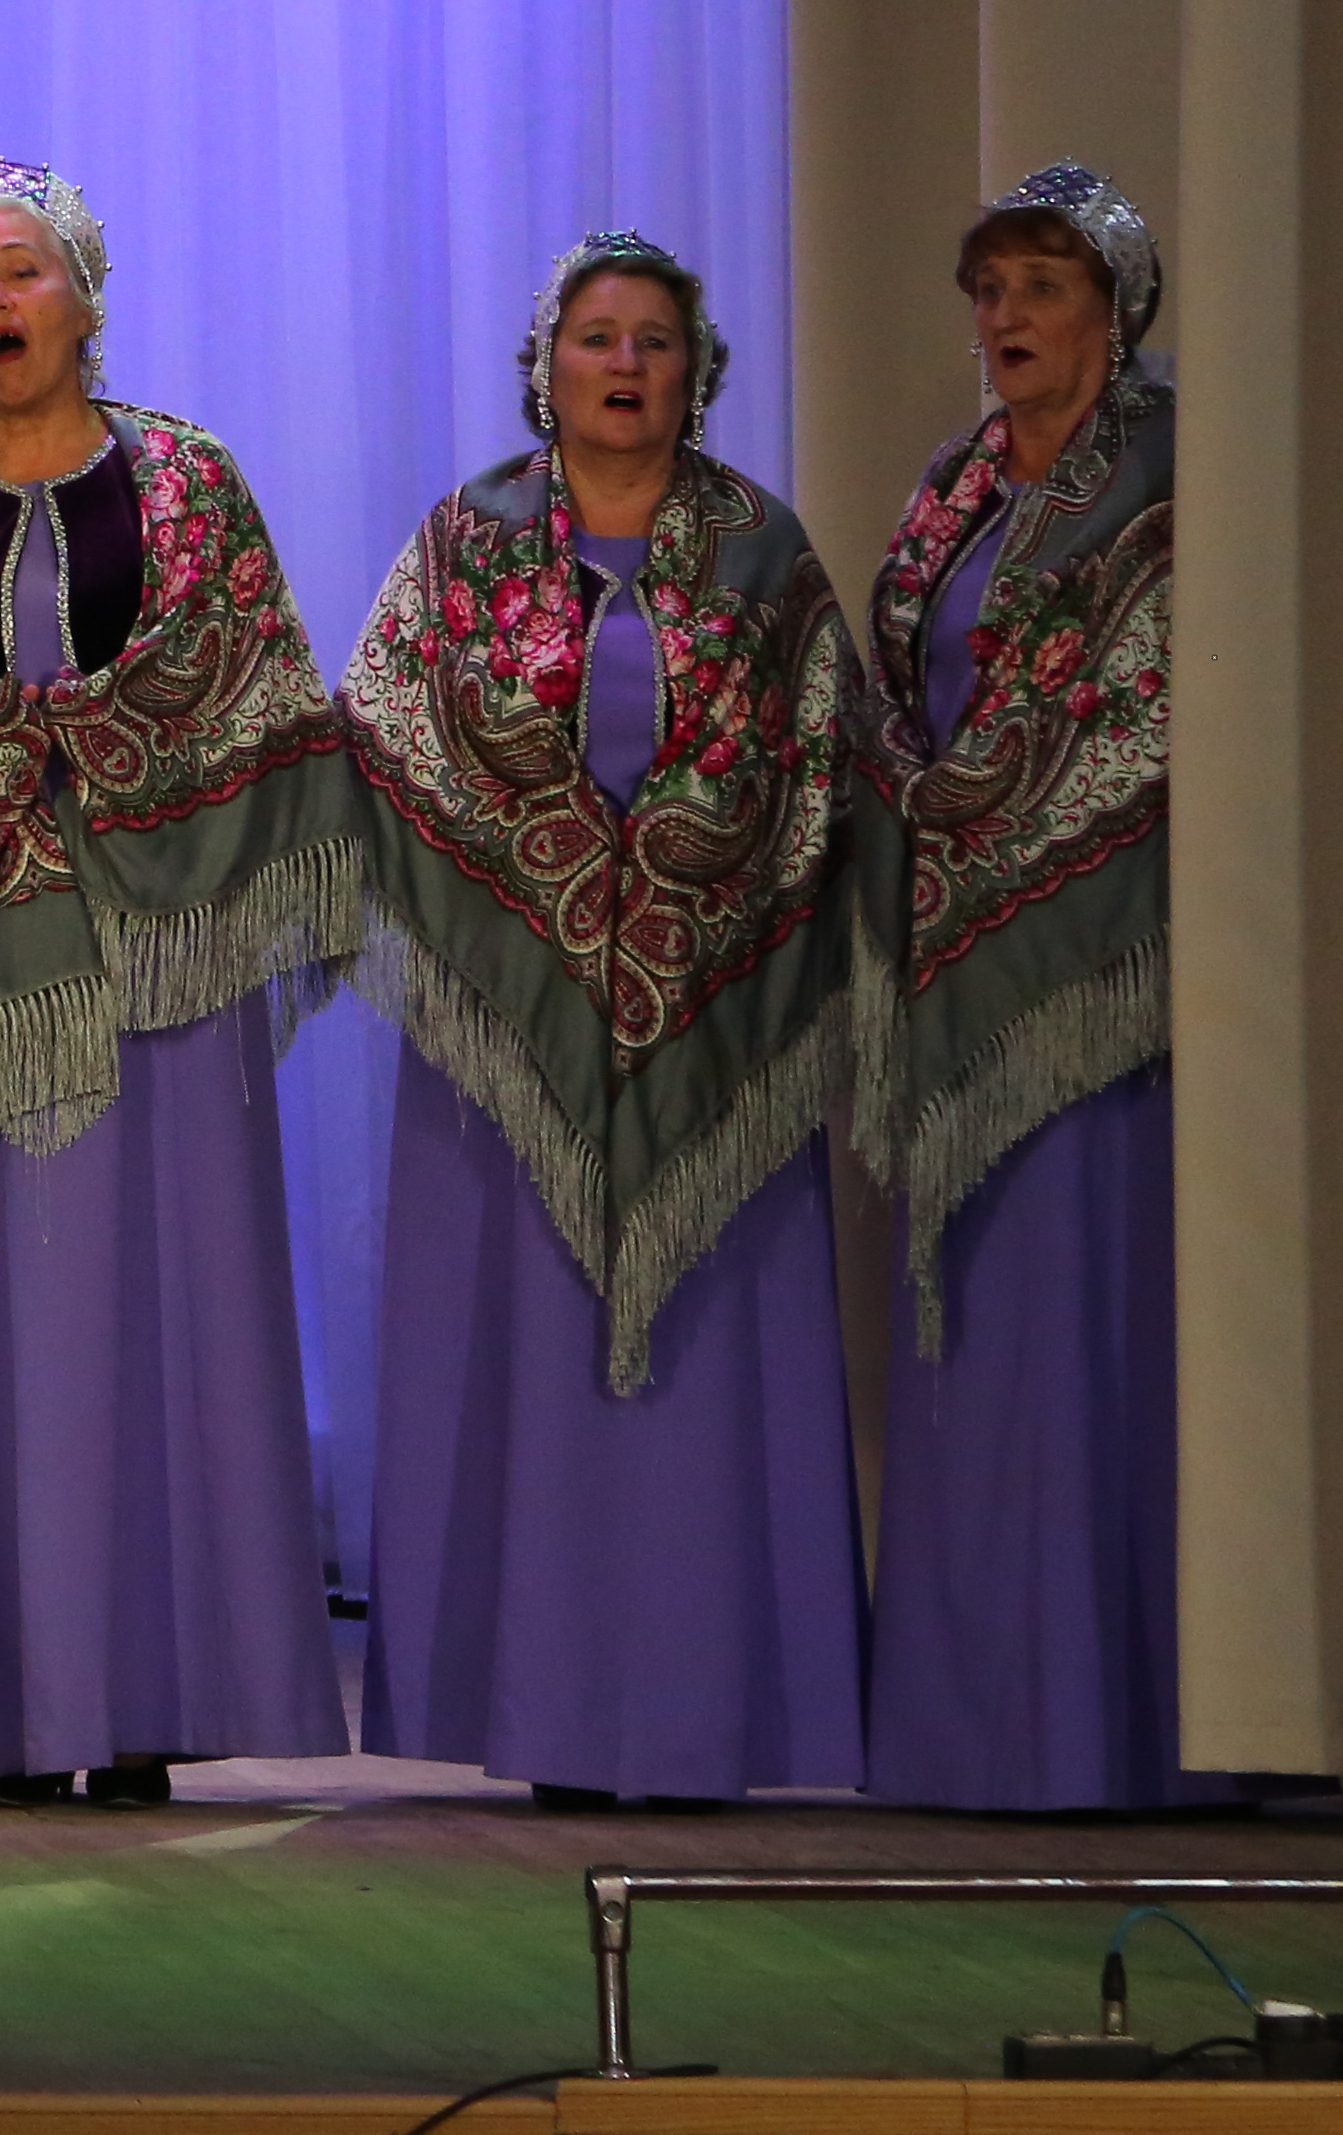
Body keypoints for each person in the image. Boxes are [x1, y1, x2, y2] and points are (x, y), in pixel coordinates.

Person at [0, 161, 362, 1802]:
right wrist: (17, 750)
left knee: (164, 1319)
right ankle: (1, 1713)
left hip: (159, 968)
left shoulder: (190, 482)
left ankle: (141, 1703)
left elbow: (255, 685)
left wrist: (71, 751)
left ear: (83, 296)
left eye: (21, 269)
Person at [342, 232, 876, 1805]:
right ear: (545, 365)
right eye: (594, 335)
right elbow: (382, 727)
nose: (623, 362)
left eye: (651, 337)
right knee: (531, 1374)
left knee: (705, 1382)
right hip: (511, 1025)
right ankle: (550, 1716)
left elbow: (827, 759)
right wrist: (545, 889)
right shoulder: (463, 538)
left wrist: (693, 898)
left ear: (693, 369)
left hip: (719, 1024)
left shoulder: (762, 550)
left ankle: (709, 1717)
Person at [856, 165, 1197, 1811]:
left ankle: (1117, 1735)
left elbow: (1162, 698)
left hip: (1107, 971)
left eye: (1043, 286)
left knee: (1091, 1342)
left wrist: (997, 818)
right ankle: (973, 1730)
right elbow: (898, 688)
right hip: (954, 960)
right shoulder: (955, 484)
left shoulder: (1171, 464)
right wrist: (920, 803)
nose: (1007, 317)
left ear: (1114, 310)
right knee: (971, 1335)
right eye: (989, 288)